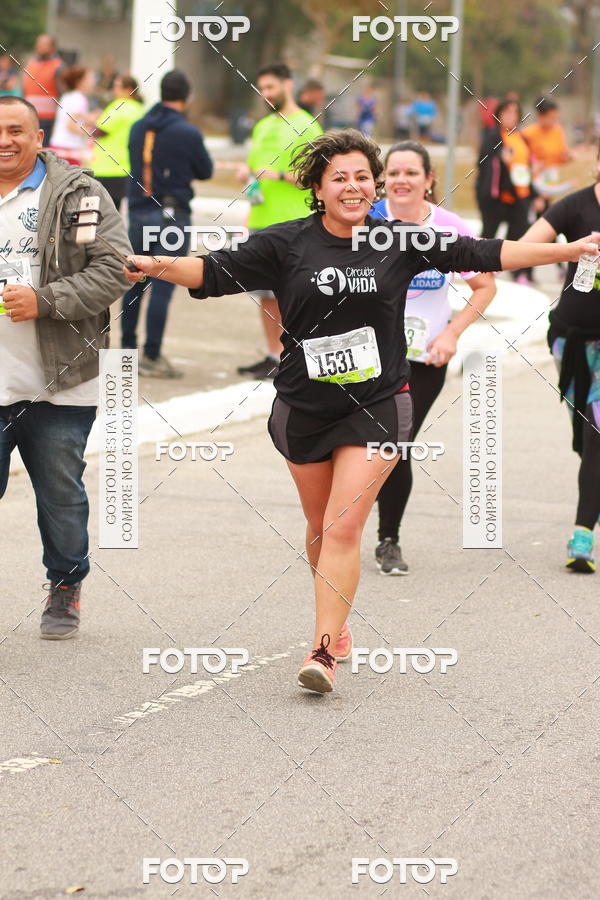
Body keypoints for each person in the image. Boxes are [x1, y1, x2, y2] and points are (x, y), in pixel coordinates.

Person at [122, 129, 597, 693]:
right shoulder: (286, 244)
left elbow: (486, 252)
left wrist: (566, 250)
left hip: (377, 401)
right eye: (339, 178)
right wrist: (156, 265)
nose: (354, 187)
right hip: (303, 404)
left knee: (344, 527)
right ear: (318, 187)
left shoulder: (400, 240)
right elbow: (213, 271)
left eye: (362, 177)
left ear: (374, 186)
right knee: (320, 526)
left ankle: (323, 651)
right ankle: (338, 623)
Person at [0, 96, 131, 638]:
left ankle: (65, 585)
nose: (5, 140)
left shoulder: (78, 195)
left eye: (16, 130)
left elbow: (114, 269)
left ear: (37, 137)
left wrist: (45, 300)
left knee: (59, 491)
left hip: (62, 379)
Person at [371, 141, 497, 574]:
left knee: (395, 445)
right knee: (357, 446)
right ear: (382, 178)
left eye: (411, 172)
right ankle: (339, 529)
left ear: (429, 180)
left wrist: (451, 334)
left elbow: (485, 287)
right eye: (393, 172)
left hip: (423, 359)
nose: (401, 180)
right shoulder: (365, 222)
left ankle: (389, 539)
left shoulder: (447, 226)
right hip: (366, 356)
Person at [520, 153, 600, 573]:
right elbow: (526, 247)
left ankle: (582, 534)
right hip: (569, 340)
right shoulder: (575, 206)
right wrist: (571, 248)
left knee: (596, 437)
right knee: (582, 434)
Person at [122, 69, 213, 378]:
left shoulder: (138, 127)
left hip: (138, 213)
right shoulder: (188, 132)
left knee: (133, 283)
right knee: (162, 285)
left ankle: (126, 351)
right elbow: (205, 170)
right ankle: (151, 355)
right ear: (187, 97)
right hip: (173, 219)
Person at [236, 63, 323, 381]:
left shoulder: (307, 126)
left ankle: (293, 357)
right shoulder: (261, 127)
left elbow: (313, 178)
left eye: (271, 86)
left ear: (289, 84)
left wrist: (280, 175)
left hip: (293, 224)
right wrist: (246, 177)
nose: (266, 94)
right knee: (265, 295)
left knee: (290, 295)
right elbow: (254, 171)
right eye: (262, 88)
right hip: (260, 220)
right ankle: (273, 354)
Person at [476, 97, 535, 285]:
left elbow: (526, 167)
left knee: (520, 235)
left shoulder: (521, 137)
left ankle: (519, 273)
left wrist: (534, 194)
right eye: (507, 112)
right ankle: (479, 269)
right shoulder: (493, 135)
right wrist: (502, 160)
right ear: (499, 115)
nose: (511, 116)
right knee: (489, 235)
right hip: (497, 196)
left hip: (520, 195)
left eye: (514, 113)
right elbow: (484, 164)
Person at [91, 74, 144, 209]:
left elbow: (99, 131)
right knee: (115, 212)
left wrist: (92, 119)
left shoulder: (119, 106)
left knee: (101, 215)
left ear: (128, 90)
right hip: (125, 167)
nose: (114, 90)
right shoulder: (140, 109)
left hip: (106, 168)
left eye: (117, 87)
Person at [49, 66, 100, 166]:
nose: (93, 81)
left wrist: (90, 118)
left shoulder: (67, 96)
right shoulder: (79, 99)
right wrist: (92, 133)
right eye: (90, 78)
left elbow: (73, 119)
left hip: (57, 145)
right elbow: (71, 125)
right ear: (80, 81)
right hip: (69, 149)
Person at [22, 35, 64, 147]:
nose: (40, 47)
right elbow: (25, 90)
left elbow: (63, 95)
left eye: (45, 45)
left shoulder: (58, 66)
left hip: (48, 120)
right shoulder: (30, 64)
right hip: (29, 117)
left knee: (42, 152)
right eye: (39, 44)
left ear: (53, 48)